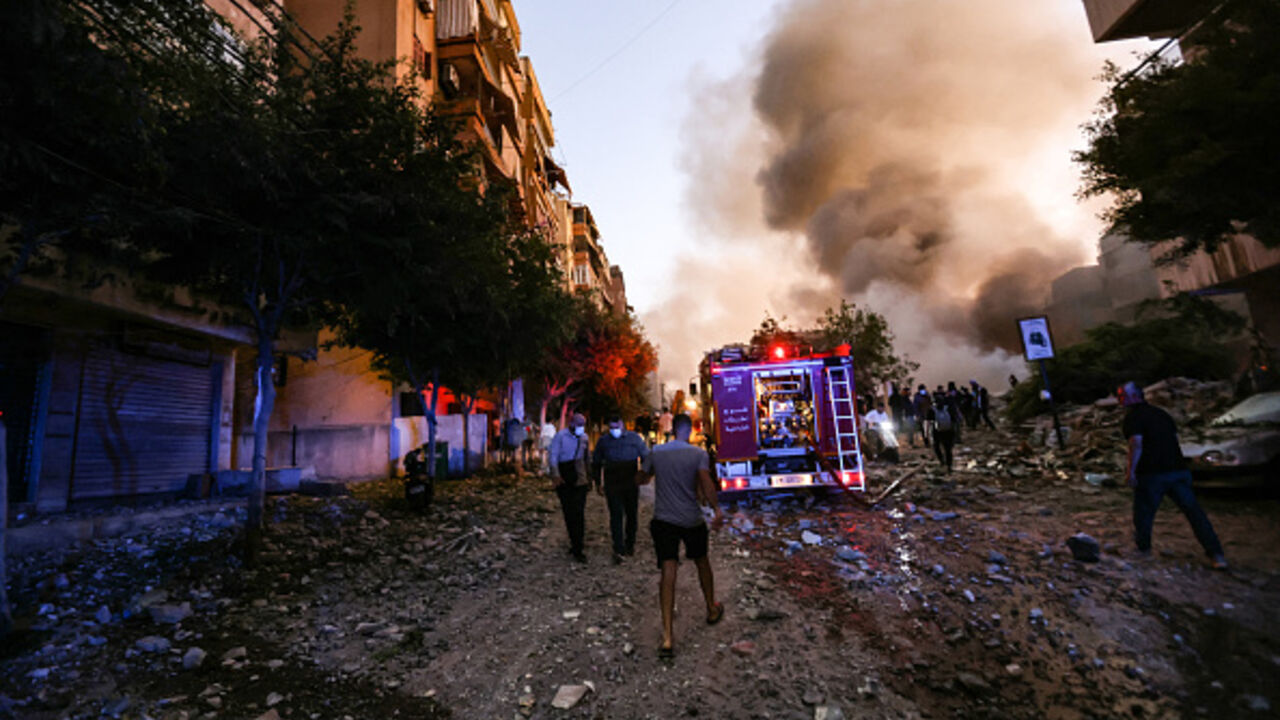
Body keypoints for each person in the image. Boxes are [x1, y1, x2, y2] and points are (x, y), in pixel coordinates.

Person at [639, 413, 724, 659]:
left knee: (668, 571)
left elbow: (643, 477)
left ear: (673, 430)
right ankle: (710, 608)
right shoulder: (698, 454)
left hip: (664, 520)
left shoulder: (656, 452)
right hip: (691, 519)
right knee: (702, 562)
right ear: (690, 431)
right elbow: (706, 483)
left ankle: (667, 637)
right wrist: (716, 509)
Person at [1119, 382, 1227, 569]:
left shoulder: (1134, 417)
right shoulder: (1162, 414)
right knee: (1194, 513)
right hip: (1177, 470)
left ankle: (1142, 549)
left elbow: (1136, 443)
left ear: (1135, 396)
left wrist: (1131, 471)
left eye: (1123, 395)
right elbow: (1174, 439)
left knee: (1144, 514)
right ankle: (1216, 554)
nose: (1121, 399)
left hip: (1152, 473)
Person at [593, 414, 650, 564]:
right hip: (612, 480)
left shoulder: (634, 439)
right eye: (611, 428)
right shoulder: (604, 441)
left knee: (631, 514)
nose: (614, 431)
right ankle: (618, 547)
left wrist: (644, 474)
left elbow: (646, 457)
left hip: (630, 479)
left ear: (623, 426)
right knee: (616, 515)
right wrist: (598, 482)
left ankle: (630, 544)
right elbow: (596, 462)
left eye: (616, 427)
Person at [549, 413, 593, 563]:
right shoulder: (560, 437)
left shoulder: (584, 438)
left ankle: (578, 546)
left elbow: (587, 459)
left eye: (583, 424)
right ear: (571, 423)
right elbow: (553, 456)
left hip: (580, 478)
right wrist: (555, 475)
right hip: (564, 477)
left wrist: (590, 478)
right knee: (569, 512)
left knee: (579, 512)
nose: (580, 428)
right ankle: (574, 541)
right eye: (578, 424)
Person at [929, 400, 955, 473]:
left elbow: (929, 422)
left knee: (937, 447)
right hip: (948, 432)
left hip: (937, 432)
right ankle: (949, 465)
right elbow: (953, 420)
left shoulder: (932, 410)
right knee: (948, 449)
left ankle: (942, 461)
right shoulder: (948, 409)